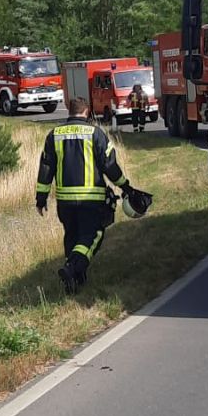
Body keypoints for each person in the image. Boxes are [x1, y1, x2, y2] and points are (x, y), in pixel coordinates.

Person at [36, 97, 151, 295]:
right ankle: (72, 268)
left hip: (65, 202)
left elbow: (46, 168)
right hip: (91, 199)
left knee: (72, 235)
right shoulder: (95, 133)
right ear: (87, 111)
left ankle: (75, 279)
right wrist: (125, 186)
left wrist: (41, 198)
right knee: (92, 236)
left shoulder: (54, 135)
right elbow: (109, 165)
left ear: (69, 110)